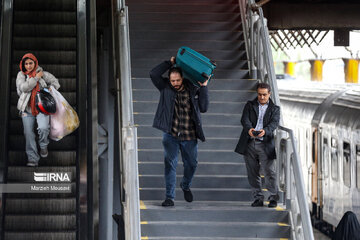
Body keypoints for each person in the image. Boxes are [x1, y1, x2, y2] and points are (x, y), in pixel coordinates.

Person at [149, 56, 209, 207]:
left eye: (177, 80)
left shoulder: (193, 88)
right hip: (171, 134)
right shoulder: (165, 88)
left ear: (183, 78)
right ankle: (170, 197)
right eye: (172, 80)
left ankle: (185, 185)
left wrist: (204, 88)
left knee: (192, 164)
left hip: (190, 135)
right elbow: (153, 74)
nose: (175, 83)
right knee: (170, 165)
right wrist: (169, 63)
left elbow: (204, 108)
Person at [234, 82, 280, 208]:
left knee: (269, 171)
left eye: (264, 95)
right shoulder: (250, 105)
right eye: (259, 95)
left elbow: (274, 123)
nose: (262, 97)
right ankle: (258, 198)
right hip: (250, 143)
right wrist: (249, 130)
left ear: (269, 94)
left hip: (265, 144)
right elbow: (244, 119)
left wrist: (265, 131)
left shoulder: (275, 109)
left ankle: (273, 197)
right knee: (252, 173)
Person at [16, 53, 60, 167]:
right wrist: (36, 78)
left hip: (42, 108)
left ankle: (43, 145)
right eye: (26, 64)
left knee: (43, 128)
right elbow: (24, 88)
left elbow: (56, 82)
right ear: (23, 64)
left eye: (31, 63)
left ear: (35, 63)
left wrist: (50, 88)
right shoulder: (21, 75)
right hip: (26, 108)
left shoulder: (43, 74)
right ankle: (32, 158)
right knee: (28, 134)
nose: (29, 66)